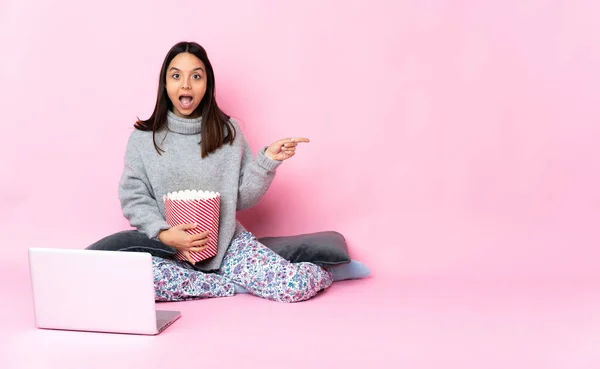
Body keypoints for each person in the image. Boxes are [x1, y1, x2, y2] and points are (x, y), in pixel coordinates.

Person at [116, 41, 333, 303]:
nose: (185, 85)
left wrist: (267, 162)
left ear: (207, 84)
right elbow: (133, 196)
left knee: (294, 286)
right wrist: (163, 233)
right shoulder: (143, 139)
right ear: (165, 84)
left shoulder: (228, 132)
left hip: (229, 247)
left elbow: (241, 198)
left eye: (196, 76)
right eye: (176, 76)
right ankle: (231, 285)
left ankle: (332, 271)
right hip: (170, 252)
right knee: (132, 283)